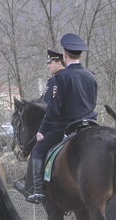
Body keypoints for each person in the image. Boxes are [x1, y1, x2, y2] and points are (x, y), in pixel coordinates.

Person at [23, 37, 97, 204]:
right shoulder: (91, 76)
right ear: (80, 55)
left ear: (64, 55)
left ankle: (39, 191)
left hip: (66, 126)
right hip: (91, 124)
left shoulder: (61, 78)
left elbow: (53, 110)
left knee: (38, 150)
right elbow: (92, 103)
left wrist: (42, 130)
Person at [13, 49, 64, 198]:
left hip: (58, 124)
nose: (48, 65)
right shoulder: (66, 78)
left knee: (37, 149)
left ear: (59, 63)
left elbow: (47, 105)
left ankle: (33, 188)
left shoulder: (55, 80)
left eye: (50, 62)